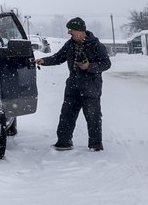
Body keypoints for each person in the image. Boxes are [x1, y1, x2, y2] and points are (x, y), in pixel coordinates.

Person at [36, 17, 112, 151]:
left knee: (93, 116)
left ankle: (95, 145)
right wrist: (44, 60)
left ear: (80, 30)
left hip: (91, 86)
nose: (69, 33)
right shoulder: (69, 44)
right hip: (73, 85)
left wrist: (89, 66)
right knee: (67, 114)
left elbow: (106, 64)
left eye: (71, 30)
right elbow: (58, 57)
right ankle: (64, 142)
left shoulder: (96, 45)